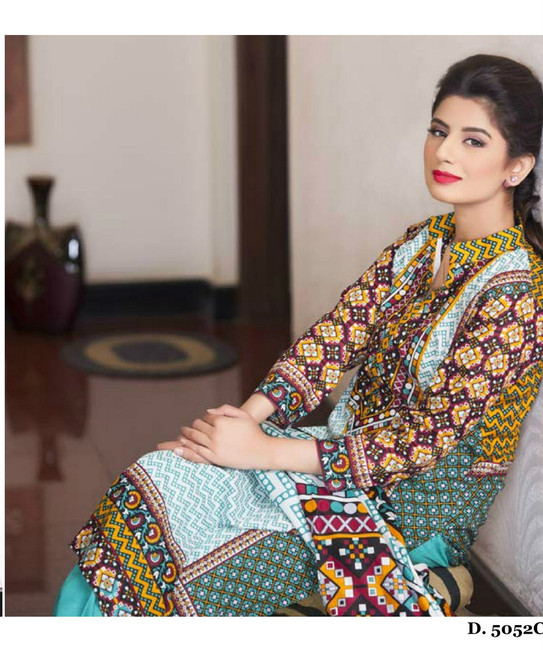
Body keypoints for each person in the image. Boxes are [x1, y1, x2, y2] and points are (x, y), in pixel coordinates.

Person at [54, 53, 543, 617]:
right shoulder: (423, 244)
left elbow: (424, 439)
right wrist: (238, 425)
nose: (444, 152)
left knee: (180, 558)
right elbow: (334, 338)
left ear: (516, 167)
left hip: (410, 510)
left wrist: (262, 451)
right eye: (438, 131)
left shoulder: (517, 292)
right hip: (333, 461)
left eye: (473, 140)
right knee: (158, 478)